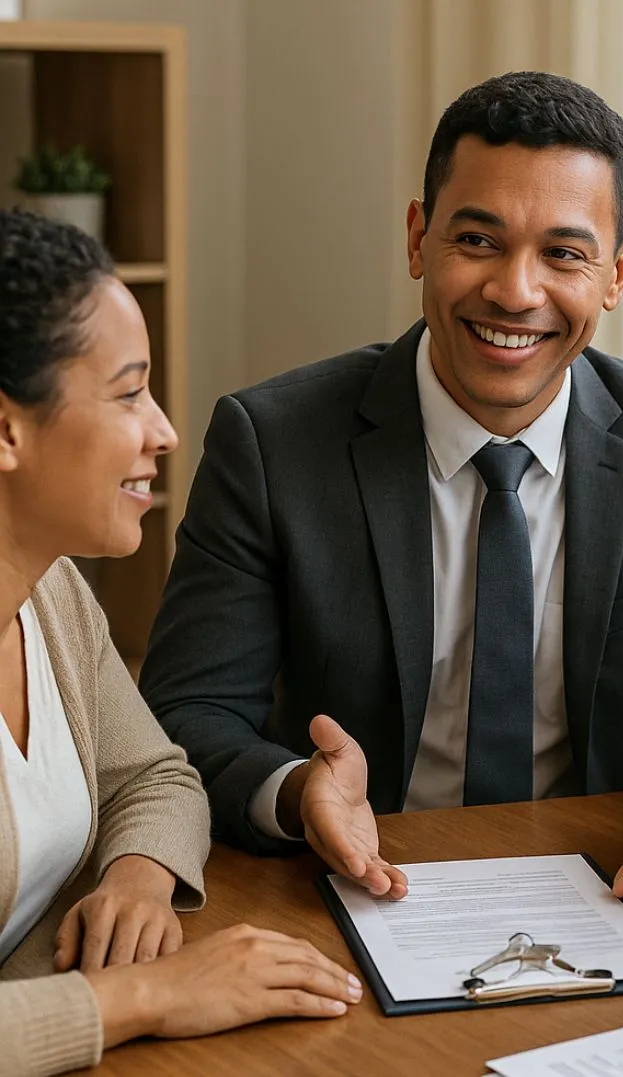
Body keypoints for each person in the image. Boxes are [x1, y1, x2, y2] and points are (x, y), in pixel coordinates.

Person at [140, 71, 623, 898]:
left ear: (618, 272)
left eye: (565, 254)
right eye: (478, 241)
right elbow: (187, 710)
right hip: (356, 879)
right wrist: (294, 790)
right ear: (416, 240)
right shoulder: (273, 441)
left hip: (603, 882)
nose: (515, 290)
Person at [0, 210, 365, 1077]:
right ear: (7, 430)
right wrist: (153, 995)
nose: (164, 431)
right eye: (129, 393)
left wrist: (137, 872)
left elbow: (158, 773)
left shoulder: (51, 593)